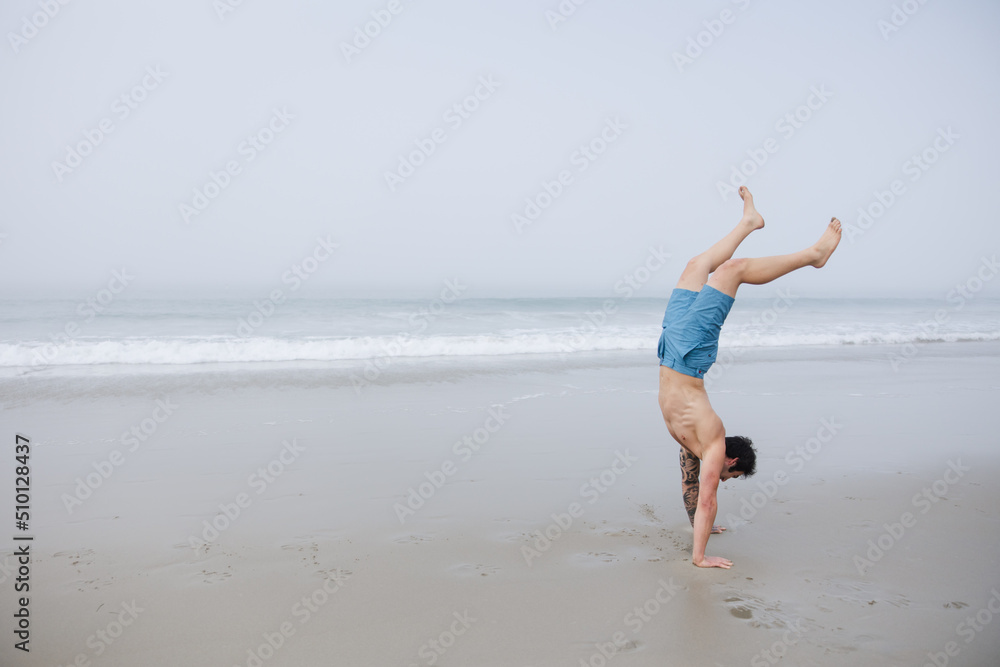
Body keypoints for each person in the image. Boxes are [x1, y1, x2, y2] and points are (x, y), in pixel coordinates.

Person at [657, 186, 841, 569]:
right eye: (731, 476)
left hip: (669, 350)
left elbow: (693, 492)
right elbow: (707, 496)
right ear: (731, 459)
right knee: (732, 270)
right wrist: (700, 557)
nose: (722, 479)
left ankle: (749, 223)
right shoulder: (711, 440)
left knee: (696, 265)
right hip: (688, 356)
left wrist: (701, 535)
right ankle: (814, 255)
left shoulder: (695, 446)